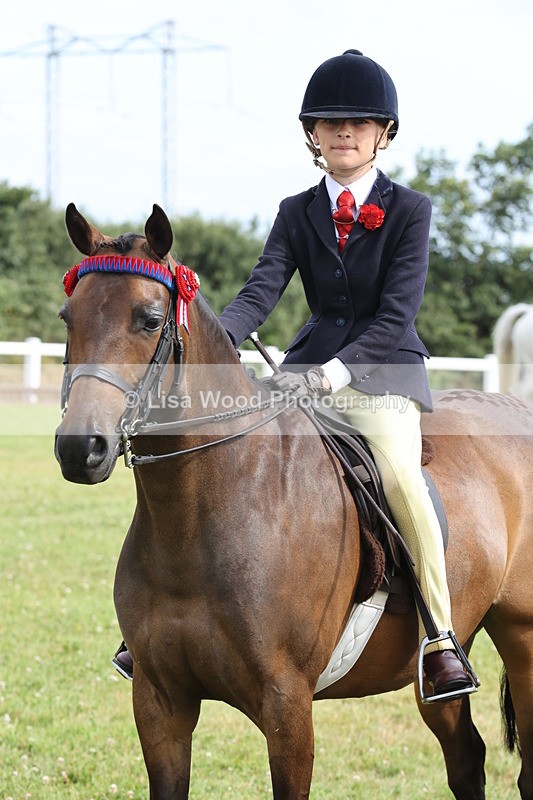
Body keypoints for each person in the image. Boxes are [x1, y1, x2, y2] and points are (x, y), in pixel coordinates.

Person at [114, 49, 476, 699]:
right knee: (211, 456)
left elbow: (396, 315)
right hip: (302, 371)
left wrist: (333, 375)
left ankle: (439, 636)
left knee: (400, 477)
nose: (345, 132)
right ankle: (160, 618)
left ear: (383, 134)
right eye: (331, 122)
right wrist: (206, 339)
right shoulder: (295, 211)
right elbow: (261, 290)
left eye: (360, 123)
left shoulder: (410, 209)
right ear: (312, 134)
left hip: (382, 374)